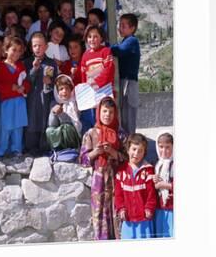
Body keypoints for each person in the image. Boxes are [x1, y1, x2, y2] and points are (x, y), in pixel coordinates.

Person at [80, 97, 127, 240]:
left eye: (111, 112)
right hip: (99, 181)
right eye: (104, 111)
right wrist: (96, 152)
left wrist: (113, 153)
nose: (107, 115)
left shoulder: (120, 134)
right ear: (98, 112)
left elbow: (128, 158)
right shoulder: (91, 134)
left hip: (117, 180)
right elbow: (83, 160)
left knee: (117, 211)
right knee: (99, 214)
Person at [0, 37, 31, 157]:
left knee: (18, 126)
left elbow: (27, 82)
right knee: (5, 126)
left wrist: (23, 88)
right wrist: (12, 88)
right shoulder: (0, 66)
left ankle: (17, 150)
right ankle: (1, 150)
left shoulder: (21, 66)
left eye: (19, 51)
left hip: (20, 101)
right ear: (5, 50)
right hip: (7, 102)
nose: (16, 53)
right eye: (13, 50)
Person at [114, 133, 157, 239]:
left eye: (140, 151)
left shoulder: (148, 170)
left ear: (144, 153)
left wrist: (149, 208)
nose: (136, 153)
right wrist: (121, 208)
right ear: (128, 149)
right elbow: (118, 194)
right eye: (134, 149)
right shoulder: (121, 171)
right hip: (128, 219)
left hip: (144, 219)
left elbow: (152, 193)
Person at [24, 32, 58, 156]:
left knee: (44, 121)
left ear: (46, 47)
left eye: (40, 45)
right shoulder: (27, 62)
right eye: (34, 46)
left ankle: (44, 147)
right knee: (31, 121)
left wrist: (51, 81)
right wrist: (34, 69)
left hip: (46, 98)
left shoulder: (51, 63)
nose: (37, 48)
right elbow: (26, 81)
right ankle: (30, 147)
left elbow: (57, 82)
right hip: (32, 98)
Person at [80, 25, 115, 132]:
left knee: (105, 117)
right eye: (89, 37)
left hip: (104, 91)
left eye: (95, 36)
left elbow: (109, 70)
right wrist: (85, 88)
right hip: (91, 93)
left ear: (101, 38)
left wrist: (96, 82)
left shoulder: (106, 51)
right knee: (92, 119)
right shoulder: (85, 55)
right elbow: (83, 75)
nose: (92, 39)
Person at [110, 13, 140, 135]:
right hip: (124, 81)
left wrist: (106, 47)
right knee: (123, 113)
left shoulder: (132, 41)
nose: (120, 28)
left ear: (132, 28)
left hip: (129, 82)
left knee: (129, 113)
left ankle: (131, 140)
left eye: (123, 26)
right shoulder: (125, 41)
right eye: (119, 25)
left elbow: (119, 51)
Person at [46, 75, 82, 163]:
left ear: (71, 90)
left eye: (67, 88)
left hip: (74, 135)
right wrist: (53, 113)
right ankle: (58, 150)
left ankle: (71, 149)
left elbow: (75, 124)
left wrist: (62, 114)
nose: (64, 91)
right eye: (61, 89)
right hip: (60, 135)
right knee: (49, 130)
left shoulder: (75, 103)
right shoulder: (54, 103)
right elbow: (52, 125)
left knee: (66, 127)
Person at [152, 131, 174, 237]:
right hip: (159, 207)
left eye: (167, 147)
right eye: (161, 147)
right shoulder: (157, 164)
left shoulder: (174, 164)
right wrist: (154, 179)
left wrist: (163, 185)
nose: (164, 151)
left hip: (171, 208)